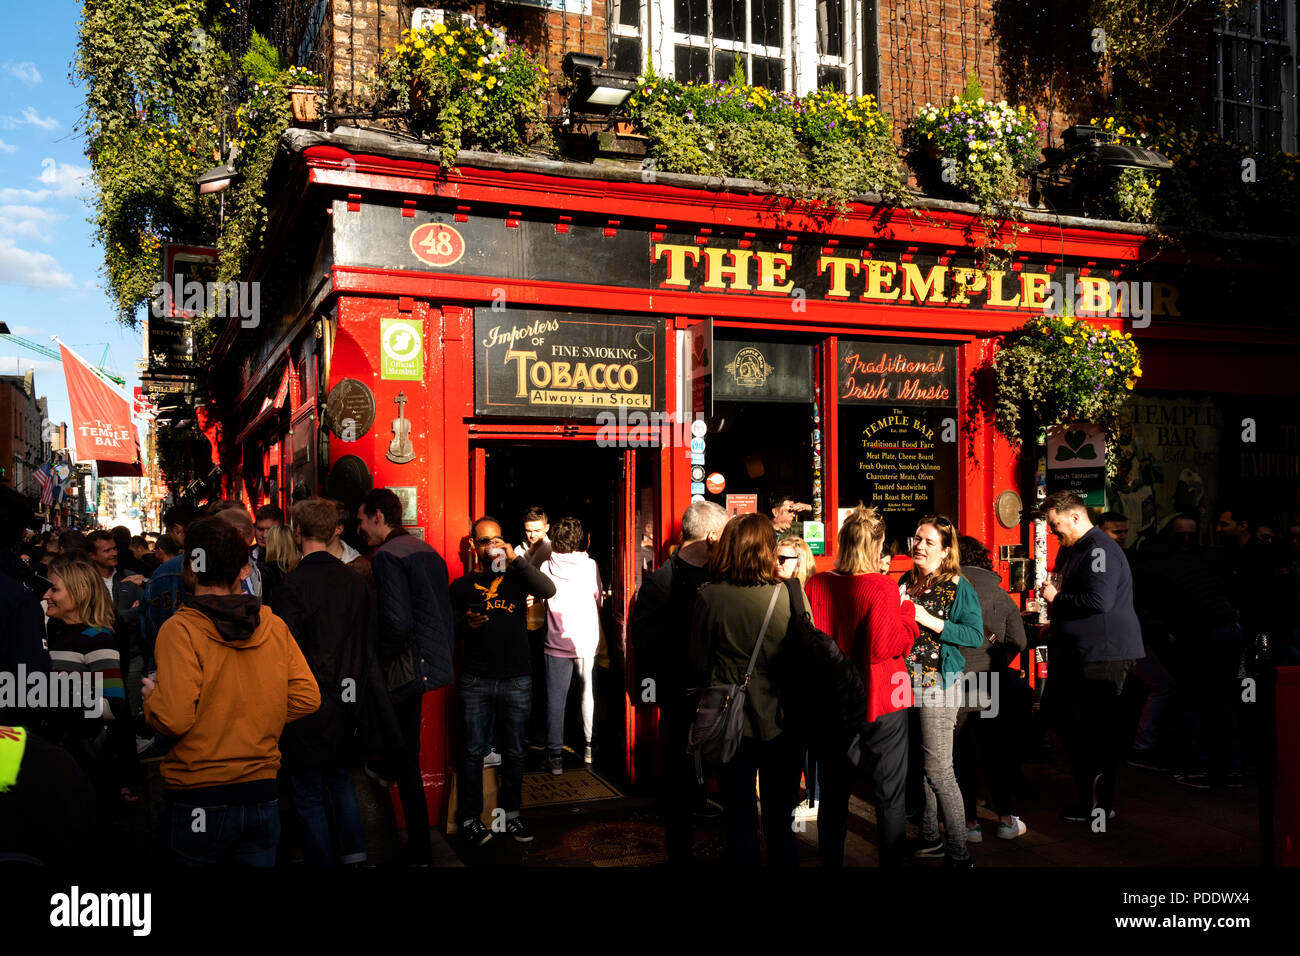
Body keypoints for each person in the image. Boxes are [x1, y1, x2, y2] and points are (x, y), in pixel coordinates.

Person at [142, 515, 320, 866]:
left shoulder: (181, 630)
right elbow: (306, 697)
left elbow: (174, 718)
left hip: (199, 794)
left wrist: (153, 699)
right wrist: (253, 710)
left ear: (190, 570)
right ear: (243, 570)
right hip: (261, 792)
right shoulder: (271, 624)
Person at [275, 498, 398, 865]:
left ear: (298, 532)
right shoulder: (355, 581)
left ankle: (321, 858)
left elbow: (287, 650)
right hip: (350, 700)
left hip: (307, 703)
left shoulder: (292, 585)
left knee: (308, 789)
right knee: (341, 780)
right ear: (333, 532)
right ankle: (354, 855)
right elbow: (368, 641)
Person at [805, 505, 920, 868]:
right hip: (883, 696)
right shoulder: (883, 586)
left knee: (835, 794)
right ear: (876, 547)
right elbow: (884, 647)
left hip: (832, 701)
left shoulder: (816, 583)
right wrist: (908, 616)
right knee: (890, 793)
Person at [689, 512, 806, 867]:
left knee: (739, 821)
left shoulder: (709, 598)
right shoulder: (786, 596)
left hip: (729, 725)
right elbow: (806, 658)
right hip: (782, 723)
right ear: (767, 551)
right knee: (780, 823)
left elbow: (697, 664)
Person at [358, 488, 456, 864]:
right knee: (406, 755)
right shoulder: (427, 551)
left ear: (380, 517)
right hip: (431, 664)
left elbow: (397, 623)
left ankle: (417, 850)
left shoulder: (386, 556)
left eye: (363, 520)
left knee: (406, 763)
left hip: (405, 668)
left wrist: (378, 660)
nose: (360, 527)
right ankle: (418, 847)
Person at [629, 500, 728, 865]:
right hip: (682, 698)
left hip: (721, 697)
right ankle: (681, 855)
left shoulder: (724, 575)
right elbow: (645, 641)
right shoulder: (661, 581)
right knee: (679, 784)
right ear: (713, 535)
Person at [448, 516, 555, 845]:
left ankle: (511, 815)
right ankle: (470, 818)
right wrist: (467, 623)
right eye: (484, 541)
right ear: (473, 545)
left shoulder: (517, 578)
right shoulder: (462, 586)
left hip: (517, 679)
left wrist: (516, 559)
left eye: (497, 539)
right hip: (476, 680)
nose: (491, 545)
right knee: (471, 752)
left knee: (514, 752)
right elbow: (448, 631)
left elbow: (548, 589)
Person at [1039, 490, 1144, 824]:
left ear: (1074, 516)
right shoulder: (1079, 548)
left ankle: (1098, 803)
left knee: (1097, 729)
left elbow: (1098, 601)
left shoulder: (1098, 548)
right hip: (1082, 650)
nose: (1055, 533)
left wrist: (1057, 597)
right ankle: (1092, 787)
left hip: (1104, 654)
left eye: (1056, 526)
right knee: (1059, 712)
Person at [896, 515, 983, 866]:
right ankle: (930, 836)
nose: (919, 546)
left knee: (940, 770)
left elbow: (974, 635)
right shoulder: (906, 581)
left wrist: (928, 619)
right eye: (917, 538)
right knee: (920, 764)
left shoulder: (958, 585)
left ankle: (958, 850)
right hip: (904, 681)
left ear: (946, 551)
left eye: (929, 542)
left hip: (937, 683)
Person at [41, 554, 140, 830]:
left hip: (87, 761)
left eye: (55, 589)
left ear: (80, 592)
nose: (47, 594)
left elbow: (114, 706)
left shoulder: (97, 638)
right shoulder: (58, 633)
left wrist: (55, 696)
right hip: (64, 756)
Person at [953, 535, 1030, 843]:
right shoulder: (999, 594)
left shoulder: (947, 589)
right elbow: (1020, 642)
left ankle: (969, 822)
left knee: (960, 752)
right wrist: (996, 659)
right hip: (989, 680)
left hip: (954, 681)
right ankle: (1006, 819)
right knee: (995, 751)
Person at [540, 516, 602, 772]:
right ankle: (589, 747)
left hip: (555, 640)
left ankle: (555, 756)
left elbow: (541, 599)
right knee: (587, 694)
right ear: (581, 540)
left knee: (556, 700)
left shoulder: (545, 566)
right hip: (585, 639)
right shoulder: (590, 566)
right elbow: (597, 597)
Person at [776, 533, 817, 815]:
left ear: (799, 561)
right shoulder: (775, 590)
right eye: (774, 557)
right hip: (785, 679)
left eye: (782, 559)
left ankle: (814, 798)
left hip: (807, 679)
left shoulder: (806, 590)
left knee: (809, 744)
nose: (775, 563)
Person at [142, 504, 197, 671]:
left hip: (170, 659)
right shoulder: (221, 565)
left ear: (177, 529)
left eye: (169, 531)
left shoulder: (165, 572)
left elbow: (149, 624)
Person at [515, 507, 552, 750]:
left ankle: (540, 732)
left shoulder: (553, 551)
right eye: (529, 531)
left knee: (541, 683)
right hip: (521, 624)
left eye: (537, 531)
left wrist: (539, 597)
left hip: (546, 626)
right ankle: (524, 731)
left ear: (547, 528)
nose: (532, 535)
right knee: (523, 681)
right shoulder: (517, 551)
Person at [328, 500, 373, 589]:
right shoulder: (304, 562)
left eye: (324, 522)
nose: (317, 526)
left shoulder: (361, 567)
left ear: (338, 528)